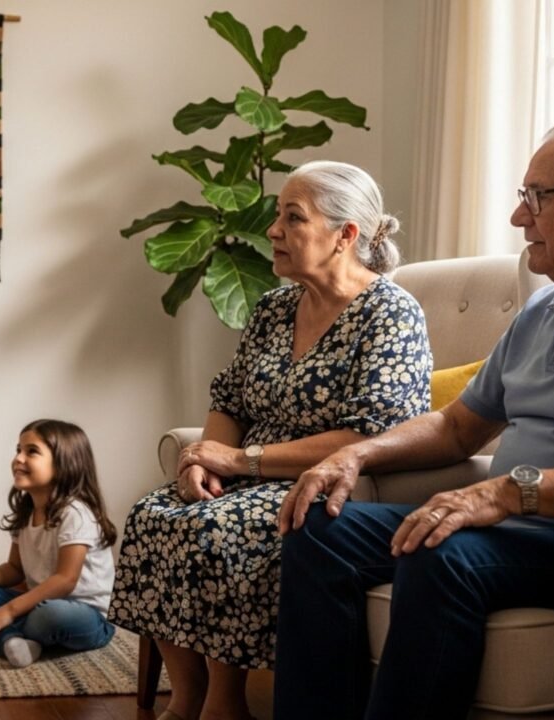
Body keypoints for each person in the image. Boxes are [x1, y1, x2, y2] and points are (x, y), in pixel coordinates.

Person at [273, 116, 554, 720]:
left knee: (441, 552)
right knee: (318, 531)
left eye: (536, 198)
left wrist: (515, 493)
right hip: (509, 523)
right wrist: (356, 453)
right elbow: (459, 426)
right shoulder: (545, 307)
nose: (520, 219)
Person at [109, 161, 433, 720]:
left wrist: (240, 461)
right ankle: (186, 698)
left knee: (217, 530)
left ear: (345, 236)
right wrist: (202, 464)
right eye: (278, 217)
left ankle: (225, 704)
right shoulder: (274, 308)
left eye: (292, 218)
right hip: (246, 473)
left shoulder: (390, 312)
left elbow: (368, 432)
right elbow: (230, 399)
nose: (274, 231)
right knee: (150, 517)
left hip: (327, 483)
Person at [0, 419, 119, 668]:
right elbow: (14, 569)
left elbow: (65, 580)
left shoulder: (75, 512)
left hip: (84, 615)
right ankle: (9, 639)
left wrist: (9, 611)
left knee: (48, 615)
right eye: (18, 450)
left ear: (64, 463)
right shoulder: (27, 512)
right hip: (36, 601)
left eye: (31, 451)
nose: (19, 458)